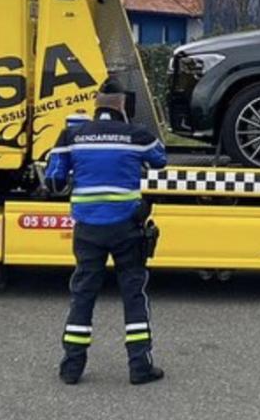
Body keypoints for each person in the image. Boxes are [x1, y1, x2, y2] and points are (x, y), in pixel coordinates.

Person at [44, 77, 167, 386]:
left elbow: (55, 181)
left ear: (95, 104)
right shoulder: (135, 135)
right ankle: (139, 366)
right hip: (127, 227)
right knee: (133, 293)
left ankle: (72, 367)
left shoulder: (71, 135)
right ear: (122, 105)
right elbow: (160, 161)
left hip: (87, 228)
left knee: (83, 293)